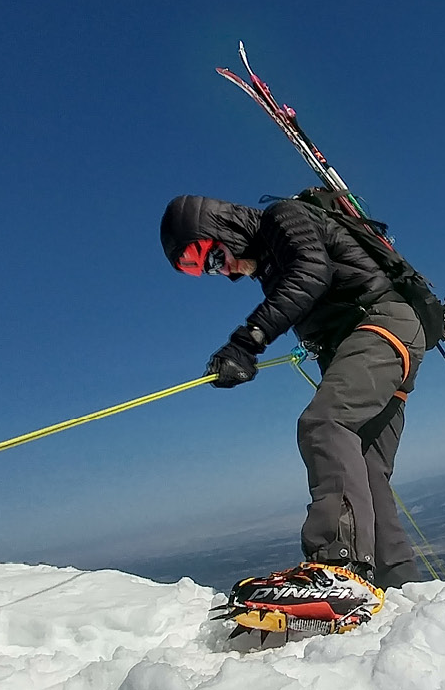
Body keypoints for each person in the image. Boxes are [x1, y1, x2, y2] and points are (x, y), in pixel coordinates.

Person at [160, 195, 427, 604]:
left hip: (380, 326)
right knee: (367, 468)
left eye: (209, 258)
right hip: (383, 339)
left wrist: (247, 341)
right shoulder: (271, 261)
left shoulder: (282, 217)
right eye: (203, 272)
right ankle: (403, 586)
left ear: (219, 229)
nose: (219, 270)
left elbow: (311, 274)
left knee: (324, 424)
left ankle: (337, 566)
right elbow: (308, 286)